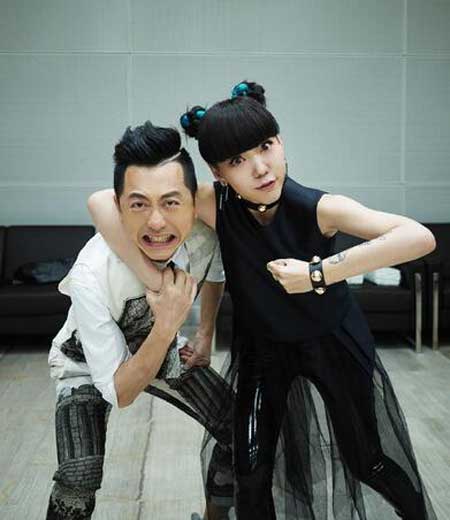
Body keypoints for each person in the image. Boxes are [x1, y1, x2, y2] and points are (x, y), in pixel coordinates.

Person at [88, 83, 437, 520]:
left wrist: (317, 274)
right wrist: (156, 283)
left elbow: (418, 237)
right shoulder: (215, 205)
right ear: (218, 172)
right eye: (237, 160)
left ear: (281, 143)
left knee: (368, 460)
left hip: (332, 343)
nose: (260, 168)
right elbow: (101, 202)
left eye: (266, 147)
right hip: (262, 349)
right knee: (250, 471)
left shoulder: (319, 208)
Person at [46, 121, 233, 520]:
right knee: (79, 474)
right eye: (138, 204)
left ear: (193, 202)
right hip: (84, 363)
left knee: (239, 429)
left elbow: (216, 272)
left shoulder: (206, 233)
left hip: (162, 345)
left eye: (171, 203)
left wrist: (204, 332)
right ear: (118, 207)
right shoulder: (91, 274)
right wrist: (166, 323)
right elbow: (119, 391)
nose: (156, 222)